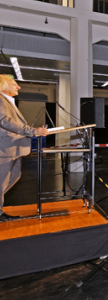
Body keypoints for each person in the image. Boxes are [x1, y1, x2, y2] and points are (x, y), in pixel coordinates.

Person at [0, 75, 49, 221]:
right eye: (14, 84)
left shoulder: (7, 101)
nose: (18, 87)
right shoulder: (0, 99)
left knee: (14, 176)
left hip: (13, 149)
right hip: (5, 149)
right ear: (2, 85)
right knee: (1, 182)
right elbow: (4, 121)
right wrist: (31, 131)